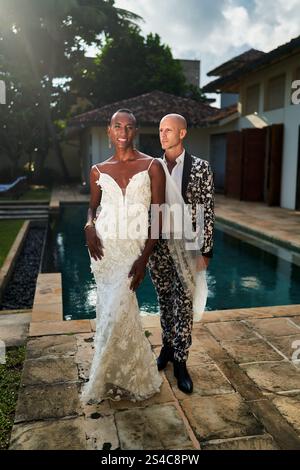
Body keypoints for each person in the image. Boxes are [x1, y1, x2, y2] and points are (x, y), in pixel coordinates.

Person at [82, 109, 165, 403]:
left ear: (136, 131)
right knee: (110, 312)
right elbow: (93, 207)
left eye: (129, 127)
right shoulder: (97, 170)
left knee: (119, 309)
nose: (123, 132)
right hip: (104, 251)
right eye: (117, 126)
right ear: (108, 130)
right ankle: (113, 371)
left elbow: (158, 216)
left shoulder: (152, 166)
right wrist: (89, 225)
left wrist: (144, 259)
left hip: (131, 252)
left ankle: (118, 371)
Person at [148, 113, 215, 394]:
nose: (163, 135)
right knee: (164, 300)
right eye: (161, 130)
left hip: (187, 246)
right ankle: (166, 346)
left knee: (184, 304)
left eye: (169, 130)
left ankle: (181, 361)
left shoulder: (201, 168)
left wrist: (206, 250)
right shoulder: (152, 167)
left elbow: (206, 212)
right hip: (159, 248)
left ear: (183, 133)